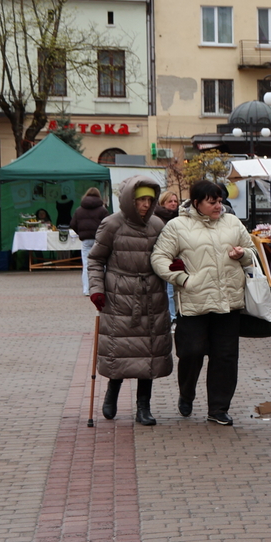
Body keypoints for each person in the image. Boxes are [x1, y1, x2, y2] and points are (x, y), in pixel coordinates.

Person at [151, 179, 257, 426]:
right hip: (193, 302)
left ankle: (218, 409)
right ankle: (186, 393)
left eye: (220, 201)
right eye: (212, 202)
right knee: (191, 352)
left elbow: (252, 252)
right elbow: (159, 257)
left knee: (225, 357)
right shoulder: (177, 226)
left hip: (228, 302)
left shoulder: (233, 222)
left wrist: (243, 254)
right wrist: (181, 278)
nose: (219, 206)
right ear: (197, 203)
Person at [88, 177, 173, 426]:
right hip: (119, 296)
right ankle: (112, 392)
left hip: (151, 295)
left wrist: (174, 265)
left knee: (149, 352)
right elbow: (96, 259)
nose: (145, 205)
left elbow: (166, 255)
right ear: (129, 200)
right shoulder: (112, 224)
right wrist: (97, 290)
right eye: (140, 200)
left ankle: (143, 407)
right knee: (120, 348)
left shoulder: (157, 224)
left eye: (149, 200)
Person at [71, 186, 110, 297]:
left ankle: (87, 290)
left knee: (86, 265)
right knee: (101, 264)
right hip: (100, 240)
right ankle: (101, 288)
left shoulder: (79, 210)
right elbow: (109, 224)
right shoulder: (103, 210)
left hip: (86, 240)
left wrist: (81, 233)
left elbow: (73, 224)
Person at [154, 192, 182, 322]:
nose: (173, 204)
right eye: (170, 201)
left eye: (175, 201)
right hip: (165, 258)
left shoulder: (180, 218)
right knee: (169, 290)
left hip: (179, 258)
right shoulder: (157, 219)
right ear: (163, 202)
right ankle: (172, 317)